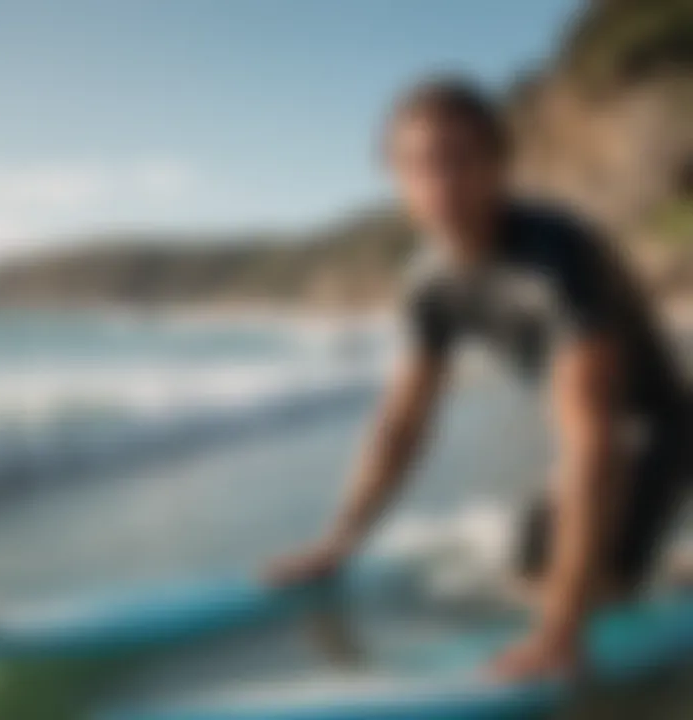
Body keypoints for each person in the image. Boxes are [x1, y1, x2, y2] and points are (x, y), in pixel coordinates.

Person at [266, 77, 691, 680]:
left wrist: (561, 633)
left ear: (499, 167)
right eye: (418, 164)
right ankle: (663, 565)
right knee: (523, 571)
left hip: (656, 433)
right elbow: (402, 421)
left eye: (460, 160)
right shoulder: (428, 280)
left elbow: (594, 436)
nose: (441, 182)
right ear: (397, 180)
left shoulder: (559, 256)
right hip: (591, 441)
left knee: (597, 596)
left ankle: (643, 590)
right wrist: (340, 542)